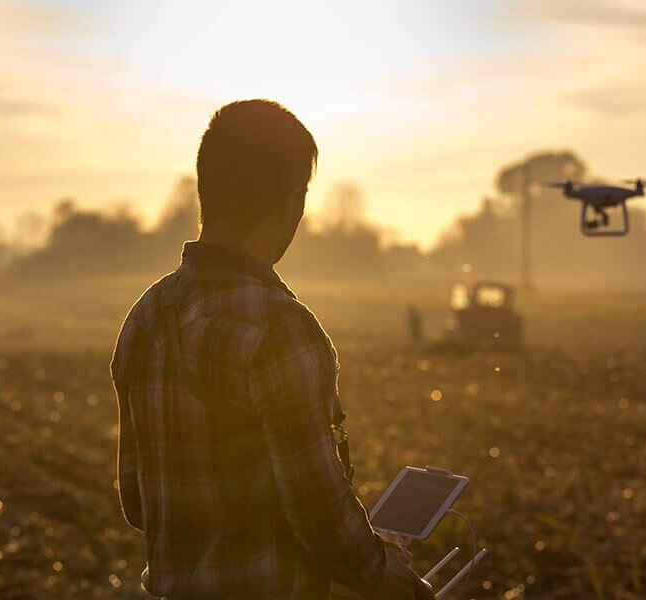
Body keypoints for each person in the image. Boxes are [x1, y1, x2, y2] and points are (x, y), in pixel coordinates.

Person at [111, 99, 433, 600]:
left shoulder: (146, 315)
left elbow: (136, 501)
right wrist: (380, 569)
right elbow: (318, 511)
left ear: (205, 193)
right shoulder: (280, 327)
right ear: (292, 203)